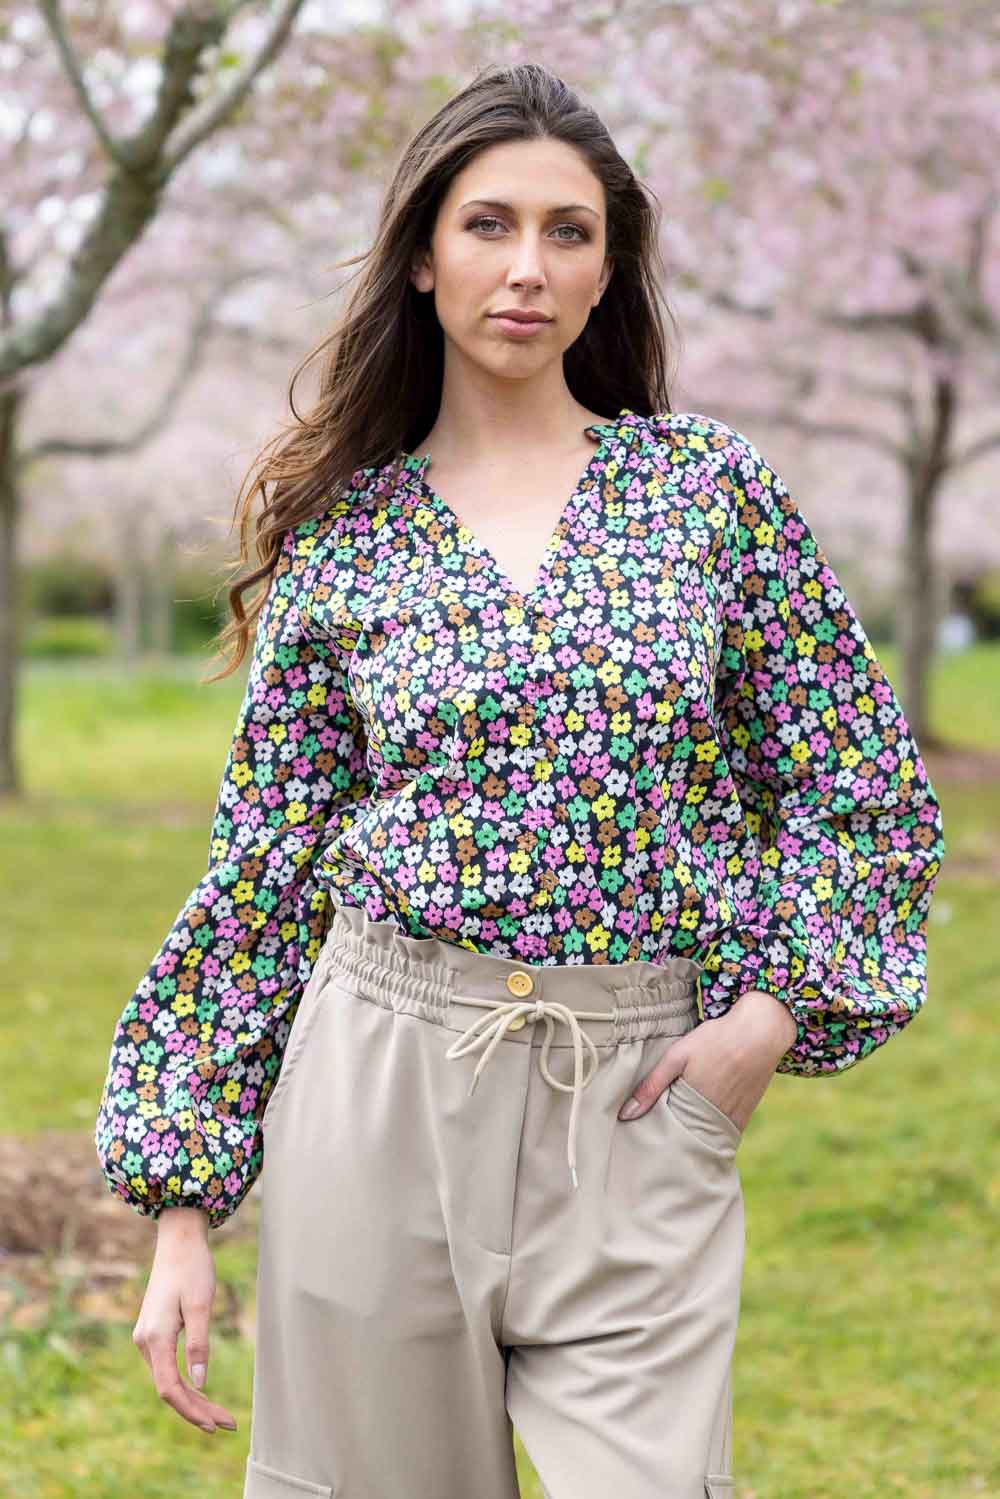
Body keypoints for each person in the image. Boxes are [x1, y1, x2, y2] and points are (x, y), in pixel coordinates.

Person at [94, 61, 946, 1499]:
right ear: (423, 259)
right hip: (378, 1082)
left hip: (637, 1094)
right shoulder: (345, 539)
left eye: (570, 232)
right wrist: (182, 1205)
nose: (528, 269)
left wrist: (764, 1018)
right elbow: (265, 872)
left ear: (610, 270)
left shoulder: (704, 495)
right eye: (489, 226)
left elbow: (860, 783)